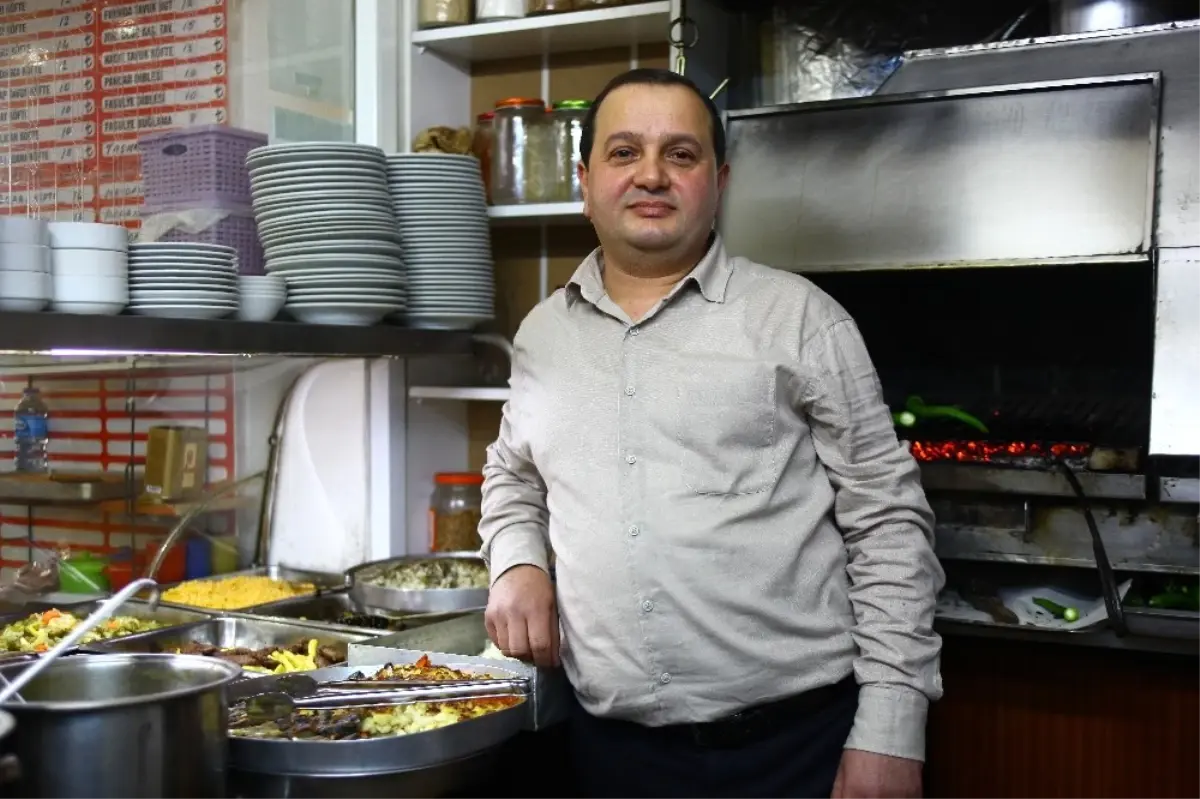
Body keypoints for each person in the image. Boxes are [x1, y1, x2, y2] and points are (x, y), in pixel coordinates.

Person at [479, 67, 944, 799]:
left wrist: (891, 727)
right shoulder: (543, 334)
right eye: (625, 151)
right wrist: (517, 562)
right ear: (585, 179)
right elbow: (513, 473)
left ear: (718, 180)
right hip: (611, 755)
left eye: (681, 154)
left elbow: (888, 522)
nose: (652, 175)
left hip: (796, 751)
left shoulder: (801, 320)